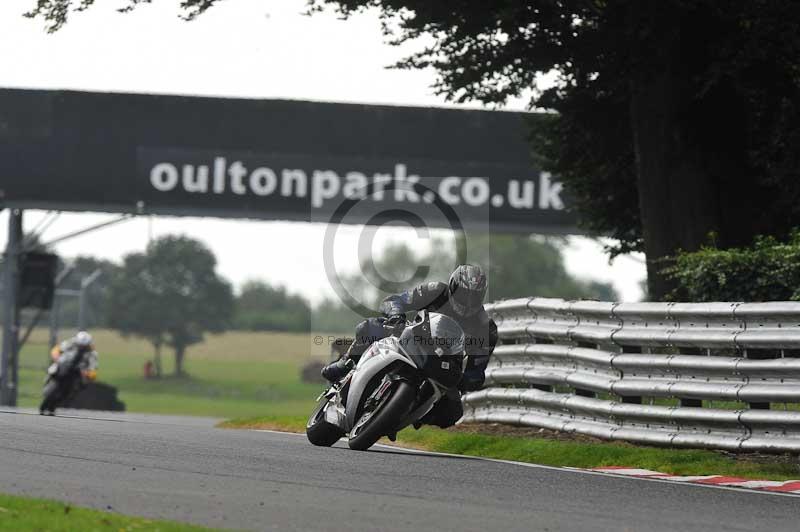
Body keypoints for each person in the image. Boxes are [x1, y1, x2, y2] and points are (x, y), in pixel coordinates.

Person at [321, 264, 498, 428]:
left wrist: (466, 380)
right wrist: (396, 316)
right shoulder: (436, 291)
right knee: (370, 327)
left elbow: (477, 369)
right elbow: (394, 301)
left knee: (453, 413)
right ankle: (346, 363)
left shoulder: (485, 327)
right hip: (412, 338)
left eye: (474, 297)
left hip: (443, 366)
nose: (468, 301)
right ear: (452, 287)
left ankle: (414, 413)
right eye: (464, 294)